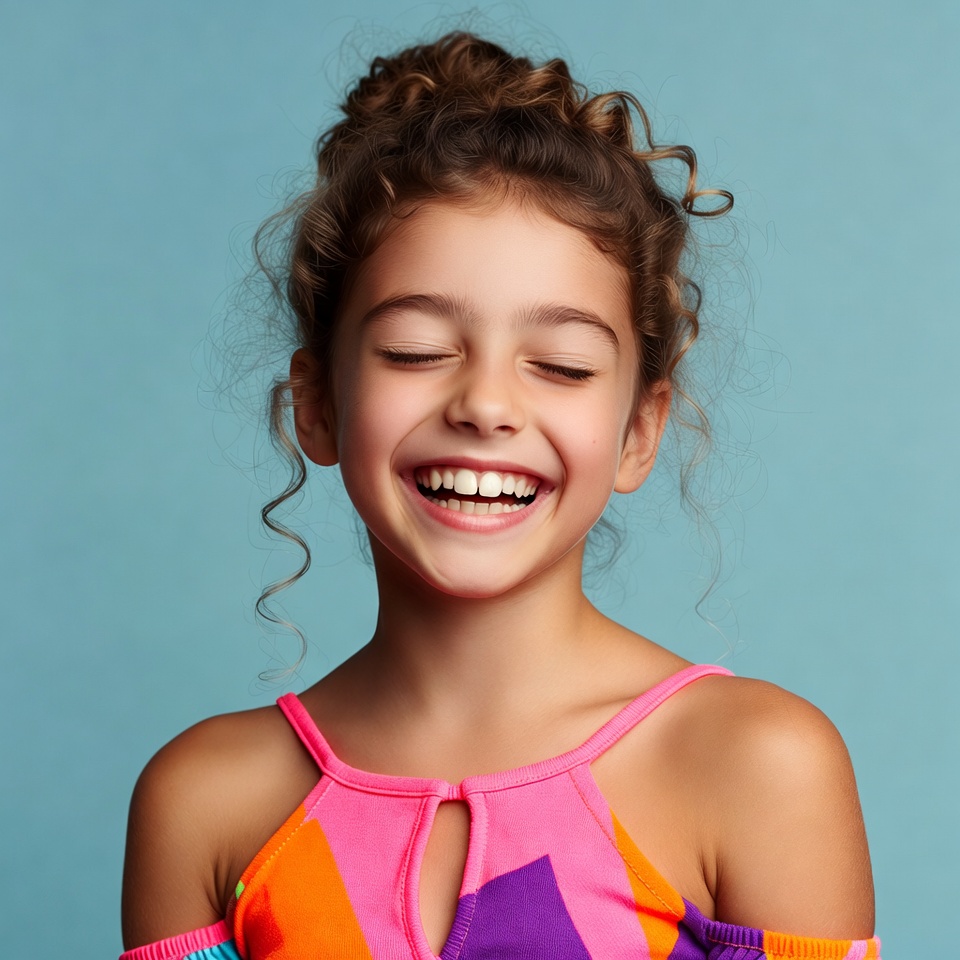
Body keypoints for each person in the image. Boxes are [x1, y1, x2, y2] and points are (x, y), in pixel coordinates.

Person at [120, 32, 879, 960]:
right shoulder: (206, 802)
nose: (485, 405)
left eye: (561, 365)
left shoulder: (756, 765)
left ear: (639, 432)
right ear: (316, 405)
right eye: (415, 351)